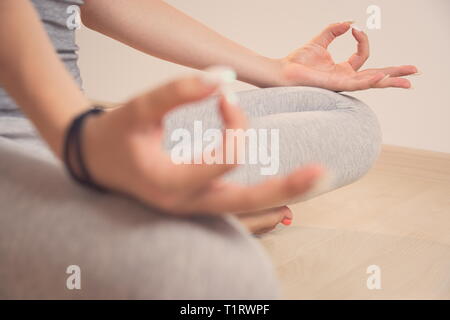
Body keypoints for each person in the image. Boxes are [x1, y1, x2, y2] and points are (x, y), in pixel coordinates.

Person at [0, 0, 417, 299]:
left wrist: (278, 71)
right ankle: (177, 208)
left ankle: (166, 201)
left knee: (346, 117)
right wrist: (78, 142)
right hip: (21, 139)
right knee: (221, 277)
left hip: (75, 118)